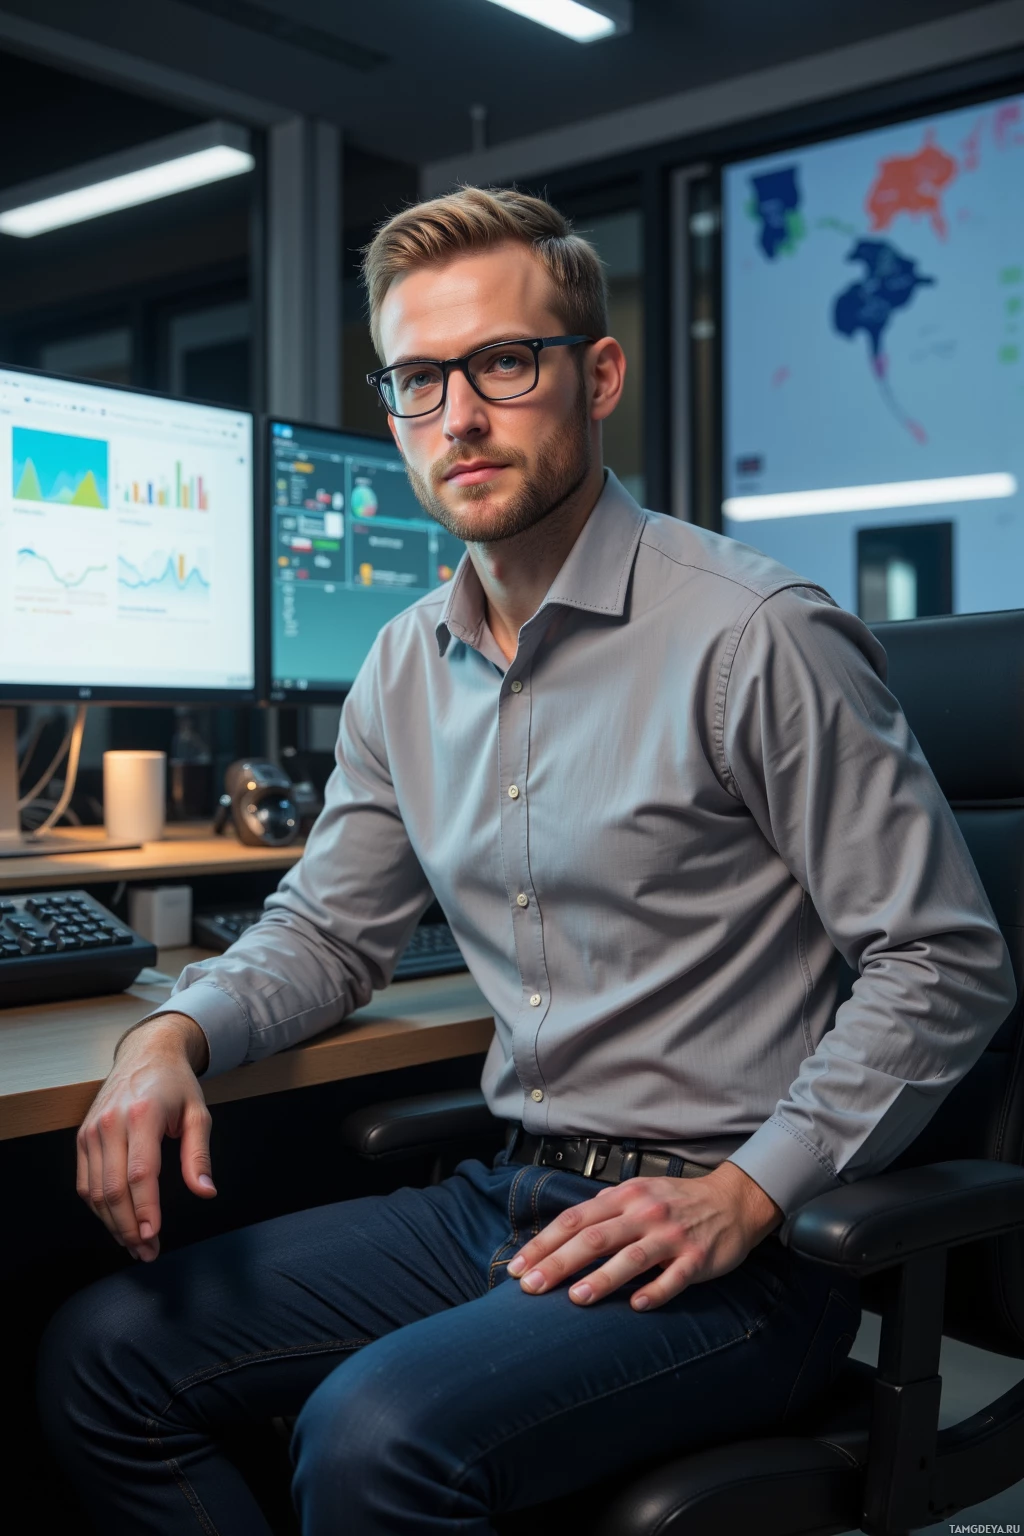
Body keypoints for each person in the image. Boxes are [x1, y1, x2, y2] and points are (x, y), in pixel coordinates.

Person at [39, 187, 1015, 1536]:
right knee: (102, 1358)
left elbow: (945, 961)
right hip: (510, 1194)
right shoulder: (399, 667)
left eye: (503, 363)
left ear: (595, 374)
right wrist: (171, 1039)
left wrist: (748, 1191)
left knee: (373, 1439)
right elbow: (329, 931)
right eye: (420, 379)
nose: (461, 418)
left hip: (742, 1246)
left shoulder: (754, 635)